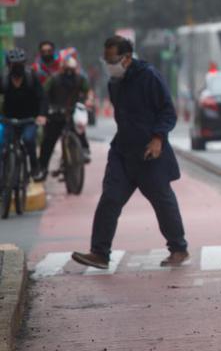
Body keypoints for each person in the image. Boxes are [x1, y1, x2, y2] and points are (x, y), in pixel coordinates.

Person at [71, 36, 189, 270]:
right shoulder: (114, 82)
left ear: (126, 58)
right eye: (105, 59)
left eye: (111, 59)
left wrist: (157, 138)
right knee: (110, 199)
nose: (108, 64)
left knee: (163, 201)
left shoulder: (149, 77)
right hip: (123, 151)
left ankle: (178, 248)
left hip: (149, 153)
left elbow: (167, 111)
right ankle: (100, 253)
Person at [38, 57, 93, 180]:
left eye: (72, 69)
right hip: (55, 114)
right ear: (62, 68)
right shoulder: (53, 79)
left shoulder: (80, 79)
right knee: (48, 142)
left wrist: (89, 100)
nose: (69, 72)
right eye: (67, 69)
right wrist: (44, 112)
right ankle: (42, 168)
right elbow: (44, 94)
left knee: (79, 130)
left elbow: (88, 91)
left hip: (72, 112)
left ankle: (84, 151)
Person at [1, 48, 46, 178]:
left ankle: (34, 168)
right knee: (2, 144)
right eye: (14, 65)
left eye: (20, 64)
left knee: (28, 140)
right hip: (8, 119)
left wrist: (42, 115)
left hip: (29, 119)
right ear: (8, 65)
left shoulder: (32, 78)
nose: (17, 67)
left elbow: (42, 97)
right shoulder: (3, 79)